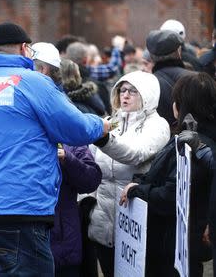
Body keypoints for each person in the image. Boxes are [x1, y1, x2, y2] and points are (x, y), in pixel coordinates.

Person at [0, 22, 110, 276]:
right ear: (24, 49)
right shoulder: (32, 82)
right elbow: (76, 129)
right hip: (23, 211)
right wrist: (103, 125)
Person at [121, 72, 216, 277]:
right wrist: (140, 181)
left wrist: (138, 190)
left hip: (175, 249)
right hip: (175, 245)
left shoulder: (192, 146)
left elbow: (170, 196)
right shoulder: (189, 139)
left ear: (181, 106)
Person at [88, 70, 170, 276]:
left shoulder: (157, 125)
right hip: (103, 223)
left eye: (133, 91)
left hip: (136, 224)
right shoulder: (111, 122)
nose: (125, 95)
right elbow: (89, 157)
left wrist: (104, 139)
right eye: (122, 90)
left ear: (147, 94)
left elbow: (136, 154)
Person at [51, 145, 102, 277]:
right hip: (24, 243)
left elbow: (91, 180)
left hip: (64, 245)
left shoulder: (71, 142)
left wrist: (67, 159)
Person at [146, 29, 194, 126]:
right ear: (179, 51)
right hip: (196, 138)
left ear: (151, 57)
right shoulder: (198, 79)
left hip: (160, 140)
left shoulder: (145, 84)